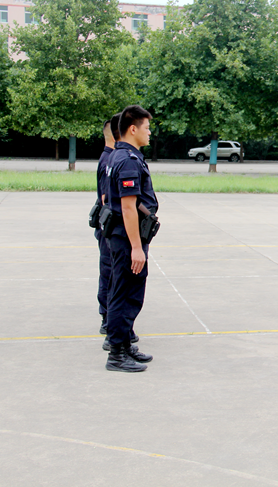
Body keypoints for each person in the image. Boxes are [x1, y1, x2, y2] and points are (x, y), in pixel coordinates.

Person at [103, 105, 159, 372]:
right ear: (133, 129)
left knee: (125, 292)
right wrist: (137, 247)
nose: (150, 133)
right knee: (125, 295)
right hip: (127, 239)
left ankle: (124, 345)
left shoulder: (120, 155)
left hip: (123, 237)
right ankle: (116, 354)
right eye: (147, 128)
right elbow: (127, 206)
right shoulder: (127, 160)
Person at [94, 119, 115, 336]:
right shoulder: (108, 160)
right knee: (109, 272)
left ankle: (109, 314)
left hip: (106, 226)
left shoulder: (109, 157)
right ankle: (107, 317)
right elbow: (105, 198)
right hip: (107, 227)